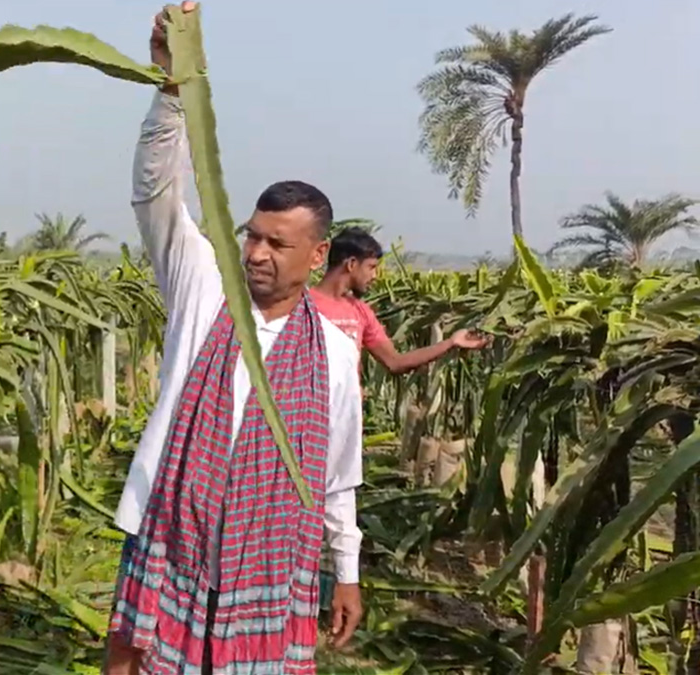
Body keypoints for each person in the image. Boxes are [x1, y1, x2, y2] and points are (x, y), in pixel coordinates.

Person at [105, 5, 364, 673]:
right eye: (252, 235)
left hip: (270, 566)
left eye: (278, 243)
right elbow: (156, 192)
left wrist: (347, 570)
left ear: (317, 255)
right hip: (171, 539)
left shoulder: (335, 353)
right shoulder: (203, 285)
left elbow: (337, 475)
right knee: (132, 659)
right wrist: (172, 86)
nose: (256, 253)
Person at [310, 227, 490, 373]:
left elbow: (395, 362)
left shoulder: (360, 311)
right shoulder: (304, 306)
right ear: (351, 264)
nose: (375, 276)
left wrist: (451, 342)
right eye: (371, 267)